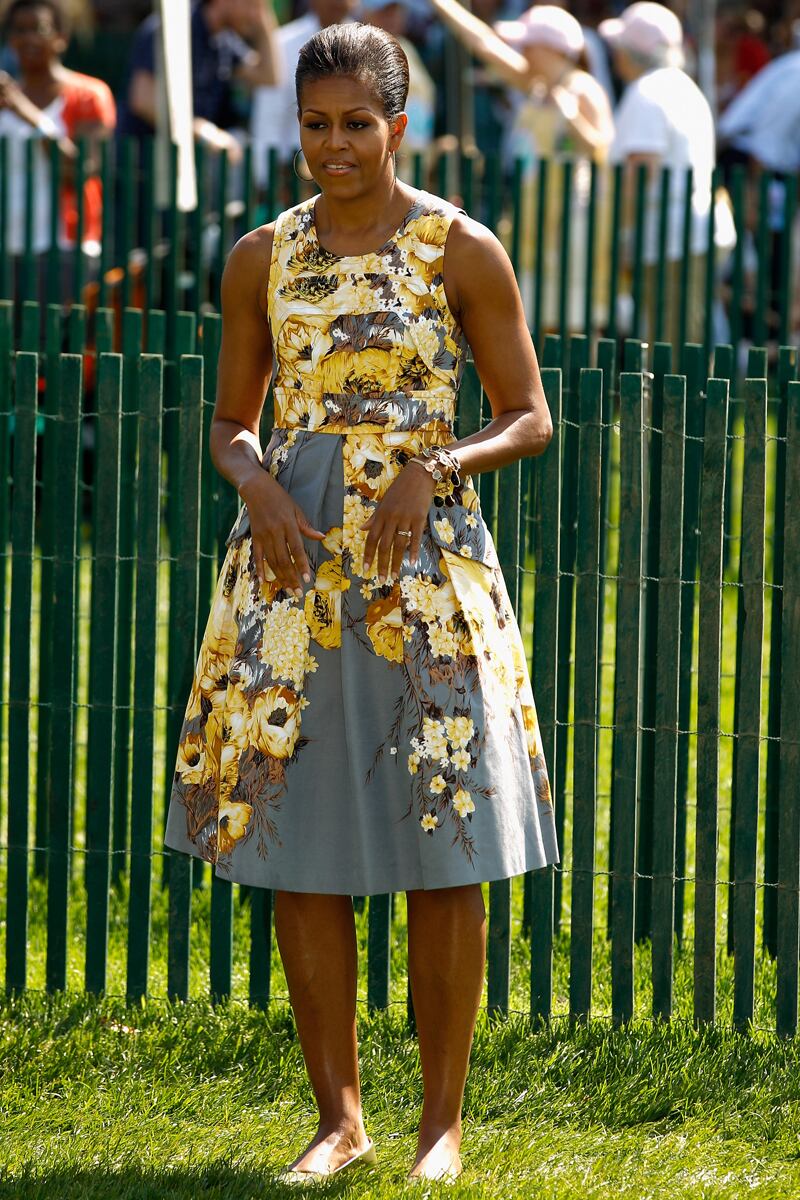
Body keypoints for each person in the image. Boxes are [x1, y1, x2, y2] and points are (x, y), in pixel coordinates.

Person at [164, 21, 558, 1184]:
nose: (334, 146)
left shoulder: (458, 248)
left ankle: (440, 1124)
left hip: (426, 567)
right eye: (315, 125)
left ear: (399, 125)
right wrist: (258, 491)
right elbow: (231, 423)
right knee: (301, 846)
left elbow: (529, 413)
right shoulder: (258, 258)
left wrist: (439, 468)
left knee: (449, 838)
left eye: (357, 124)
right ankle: (339, 1120)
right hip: (290, 575)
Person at [427, 0, 613, 330]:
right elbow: (482, 42)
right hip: (536, 218)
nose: (522, 50)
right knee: (539, 315)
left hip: (573, 222)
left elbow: (601, 149)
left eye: (529, 43)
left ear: (549, 47)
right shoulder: (537, 85)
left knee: (577, 320)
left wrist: (570, 116)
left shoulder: (584, 88)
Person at [600, 2, 716, 345]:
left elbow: (639, 170)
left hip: (664, 239)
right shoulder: (683, 87)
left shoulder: (648, 93)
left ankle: (673, 402)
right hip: (685, 235)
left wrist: (621, 233)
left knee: (670, 339)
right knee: (683, 335)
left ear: (633, 52)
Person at [0, 0, 115, 291]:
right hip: (7, 247)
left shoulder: (89, 95)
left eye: (38, 29)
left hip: (63, 250)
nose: (28, 39)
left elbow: (78, 172)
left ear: (61, 38)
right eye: (19, 30)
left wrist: (28, 114)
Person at [117, 0, 281, 163]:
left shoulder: (223, 40)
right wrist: (201, 130)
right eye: (251, 5)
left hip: (179, 168)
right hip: (139, 166)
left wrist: (263, 20)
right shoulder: (173, 26)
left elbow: (269, 76)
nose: (255, 15)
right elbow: (142, 100)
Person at [250, 0, 355, 188]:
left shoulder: (371, 48)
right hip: (288, 183)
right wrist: (269, 182)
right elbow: (268, 123)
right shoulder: (282, 44)